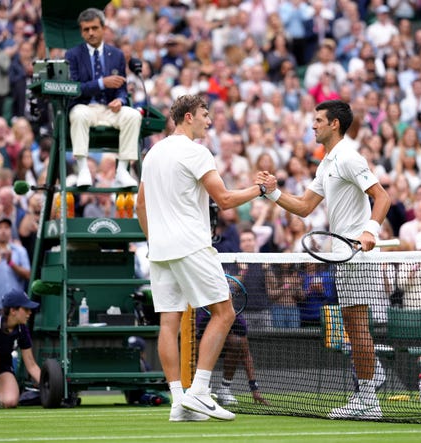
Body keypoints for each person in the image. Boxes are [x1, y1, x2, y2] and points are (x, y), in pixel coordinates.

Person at [135, 94, 274, 422]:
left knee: (169, 322)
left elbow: (140, 205)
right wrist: (261, 190)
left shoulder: (152, 153)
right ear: (187, 118)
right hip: (191, 245)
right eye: (204, 115)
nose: (208, 121)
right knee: (224, 313)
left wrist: (155, 239)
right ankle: (199, 391)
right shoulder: (196, 152)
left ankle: (178, 402)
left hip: (161, 250)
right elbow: (225, 200)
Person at [259, 100, 390, 419]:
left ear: (334, 124)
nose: (313, 125)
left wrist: (370, 230)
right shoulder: (327, 162)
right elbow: (304, 207)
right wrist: (273, 193)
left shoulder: (348, 157)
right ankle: (371, 383)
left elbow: (382, 197)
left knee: (357, 329)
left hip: (356, 256)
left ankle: (369, 398)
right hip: (342, 256)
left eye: (318, 120)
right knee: (354, 328)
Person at [65, 8, 142, 188]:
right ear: (81, 32)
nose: (90, 33)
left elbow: (122, 88)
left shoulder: (117, 55)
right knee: (78, 114)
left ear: (103, 28)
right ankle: (83, 168)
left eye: (94, 28)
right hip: (86, 107)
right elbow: (74, 89)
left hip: (109, 109)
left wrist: (120, 101)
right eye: (86, 29)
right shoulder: (73, 54)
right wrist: (101, 83)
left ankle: (123, 170)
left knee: (133, 115)